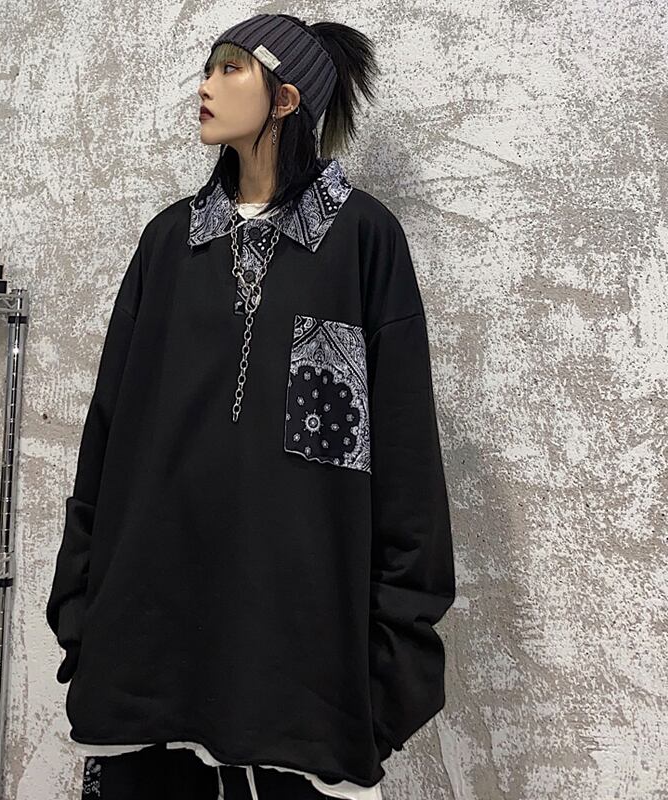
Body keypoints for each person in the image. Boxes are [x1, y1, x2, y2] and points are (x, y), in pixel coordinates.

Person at [46, 12, 456, 800]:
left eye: (231, 68)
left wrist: (388, 674)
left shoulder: (362, 240)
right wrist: (81, 613)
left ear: (286, 98)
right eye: (209, 66)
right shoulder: (170, 242)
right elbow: (107, 436)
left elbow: (407, 463)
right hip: (145, 673)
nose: (205, 84)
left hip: (302, 693)